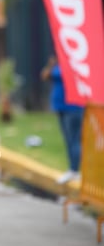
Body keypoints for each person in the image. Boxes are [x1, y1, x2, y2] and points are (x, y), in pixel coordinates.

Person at [41, 56, 84, 184]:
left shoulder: (76, 63)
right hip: (60, 108)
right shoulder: (57, 64)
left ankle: (76, 170)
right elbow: (45, 75)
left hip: (74, 107)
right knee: (68, 140)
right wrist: (52, 64)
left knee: (74, 140)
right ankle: (72, 169)